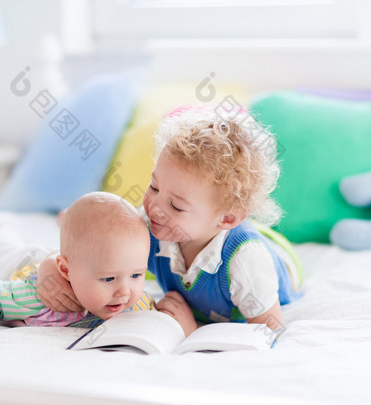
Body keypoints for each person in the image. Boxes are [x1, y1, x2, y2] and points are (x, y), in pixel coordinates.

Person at [37, 105, 303, 336]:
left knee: (256, 248)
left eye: (176, 205)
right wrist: (49, 268)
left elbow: (269, 330)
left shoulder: (247, 262)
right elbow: (92, 250)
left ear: (228, 217)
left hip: (275, 258)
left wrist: (194, 330)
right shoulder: (150, 224)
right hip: (214, 231)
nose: (155, 208)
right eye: (153, 187)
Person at [0, 192, 153, 334]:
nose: (125, 291)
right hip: (22, 264)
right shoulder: (36, 298)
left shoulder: (134, 301)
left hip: (65, 259)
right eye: (108, 278)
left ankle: (67, 221)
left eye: (136, 275)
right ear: (65, 271)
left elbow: (155, 310)